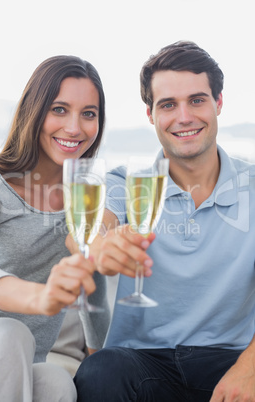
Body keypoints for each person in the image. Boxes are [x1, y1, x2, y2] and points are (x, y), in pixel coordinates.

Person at [73, 41, 255, 401]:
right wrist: (103, 245)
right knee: (100, 372)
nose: (184, 117)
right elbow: (94, 229)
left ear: (218, 103)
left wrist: (249, 369)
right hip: (142, 365)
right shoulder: (126, 182)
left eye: (197, 100)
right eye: (168, 105)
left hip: (230, 361)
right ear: (150, 115)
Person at [0, 55, 110, 402]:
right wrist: (40, 297)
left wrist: (102, 355)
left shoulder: (82, 197)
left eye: (89, 113)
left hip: (28, 361)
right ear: (34, 111)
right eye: (59, 109)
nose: (75, 128)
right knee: (11, 332)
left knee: (57, 383)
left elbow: (93, 284)